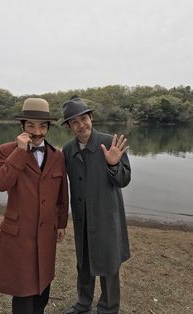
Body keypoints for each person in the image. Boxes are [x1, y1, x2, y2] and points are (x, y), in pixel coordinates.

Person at [0, 98, 68, 314]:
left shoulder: (57, 156)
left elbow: (63, 194)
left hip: (47, 233)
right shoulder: (6, 151)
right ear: (22, 126)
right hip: (19, 234)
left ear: (48, 127)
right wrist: (21, 152)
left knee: (42, 289)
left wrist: (61, 223)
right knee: (23, 293)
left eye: (43, 126)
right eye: (31, 125)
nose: (37, 131)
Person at [61, 97, 131, 314]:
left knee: (109, 265)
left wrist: (113, 164)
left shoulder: (110, 142)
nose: (81, 125)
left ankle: (109, 308)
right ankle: (83, 303)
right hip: (82, 218)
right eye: (74, 122)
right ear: (69, 127)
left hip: (106, 217)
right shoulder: (67, 150)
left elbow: (124, 180)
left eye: (84, 118)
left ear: (91, 118)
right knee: (84, 263)